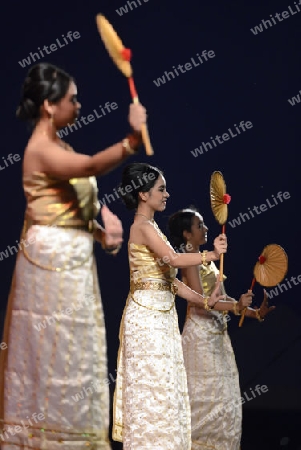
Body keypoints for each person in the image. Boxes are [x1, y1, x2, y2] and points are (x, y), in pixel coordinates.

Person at [0, 62, 147, 449]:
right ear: (49, 106)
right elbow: (89, 166)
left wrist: (102, 235)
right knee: (52, 355)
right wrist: (132, 139)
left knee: (76, 356)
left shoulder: (59, 145)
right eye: (72, 99)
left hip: (72, 263)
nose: (79, 105)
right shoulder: (41, 148)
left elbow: (68, 210)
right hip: (51, 265)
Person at [112, 163, 229, 450]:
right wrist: (210, 254)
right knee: (151, 391)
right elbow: (174, 260)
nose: (167, 194)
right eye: (161, 189)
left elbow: (171, 283)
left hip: (161, 319)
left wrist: (203, 300)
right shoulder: (141, 227)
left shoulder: (152, 228)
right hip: (146, 319)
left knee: (166, 389)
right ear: (143, 194)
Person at [168, 207, 276, 450]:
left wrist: (253, 312)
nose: (206, 229)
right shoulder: (189, 260)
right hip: (201, 337)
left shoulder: (206, 258)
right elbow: (201, 301)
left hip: (218, 336)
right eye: (200, 226)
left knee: (224, 398)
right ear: (187, 234)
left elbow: (225, 302)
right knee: (204, 401)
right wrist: (237, 306)